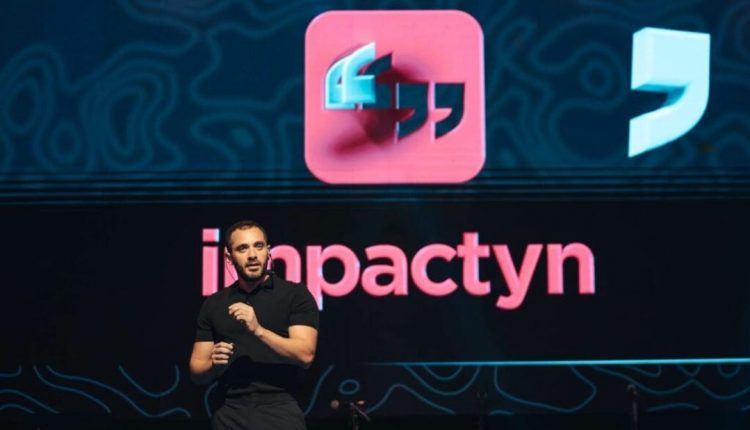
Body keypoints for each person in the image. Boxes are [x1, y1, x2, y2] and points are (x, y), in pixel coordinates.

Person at [190, 220, 319, 430]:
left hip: (279, 409)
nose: (252, 255)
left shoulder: (294, 295)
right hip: (229, 413)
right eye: (243, 248)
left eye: (258, 246)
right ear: (229, 256)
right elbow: (197, 371)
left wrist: (258, 330)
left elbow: (305, 355)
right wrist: (213, 363)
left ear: (268, 251)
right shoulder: (215, 303)